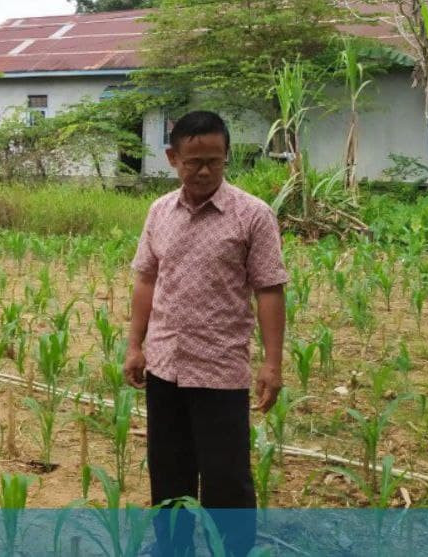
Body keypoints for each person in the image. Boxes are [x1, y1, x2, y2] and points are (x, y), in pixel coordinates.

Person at [123, 111, 288, 557]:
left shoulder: (253, 215)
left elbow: (269, 289)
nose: (204, 171)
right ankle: (172, 547)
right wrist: (135, 346)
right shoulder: (160, 211)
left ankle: (232, 551)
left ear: (227, 157)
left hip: (220, 367)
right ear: (173, 158)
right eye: (194, 161)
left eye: (215, 161)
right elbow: (146, 280)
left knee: (227, 478)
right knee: (169, 471)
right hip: (165, 365)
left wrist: (272, 363)